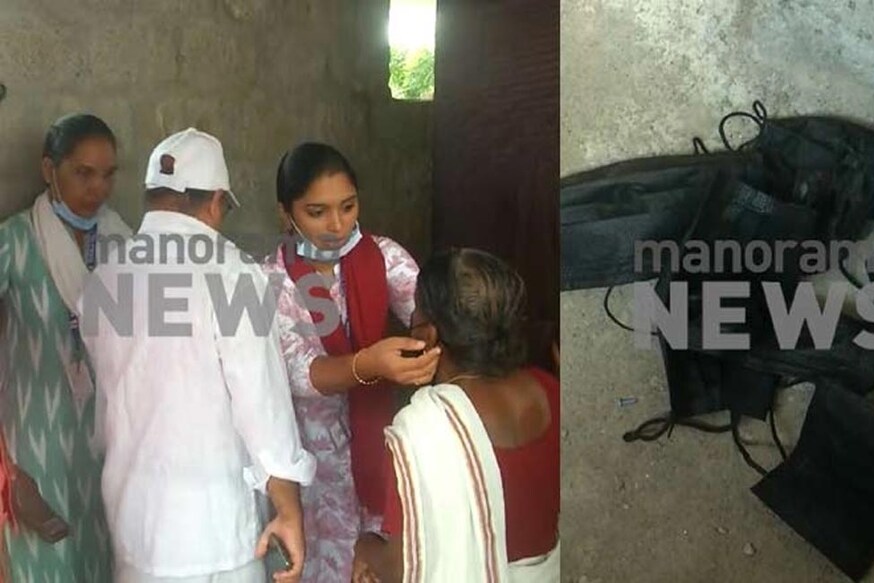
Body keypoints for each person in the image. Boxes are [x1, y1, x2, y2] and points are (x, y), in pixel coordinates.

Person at [77, 128, 316, 582]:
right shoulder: (231, 274)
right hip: (214, 536)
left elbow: (100, 402)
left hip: (136, 531)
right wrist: (288, 509)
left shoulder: (103, 280)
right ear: (215, 202)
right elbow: (261, 407)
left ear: (151, 197)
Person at [263, 142, 439, 581]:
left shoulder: (383, 257)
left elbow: (429, 310)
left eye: (348, 206)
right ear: (286, 214)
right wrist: (371, 364)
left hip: (380, 448)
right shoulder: (271, 281)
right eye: (317, 212)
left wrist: (424, 334)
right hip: (314, 467)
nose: (338, 225)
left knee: (381, 563)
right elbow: (301, 374)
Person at [353, 248, 561, 583]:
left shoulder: (425, 428)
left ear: (427, 334)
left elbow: (402, 567)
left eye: (415, 311)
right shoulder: (548, 387)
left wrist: (364, 546)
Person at [0, 113, 132, 581]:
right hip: (38, 444)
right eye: (83, 173)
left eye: (108, 174)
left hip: (107, 443)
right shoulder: (15, 242)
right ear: (48, 170)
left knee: (102, 560)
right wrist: (8, 472)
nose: (98, 188)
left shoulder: (122, 245)